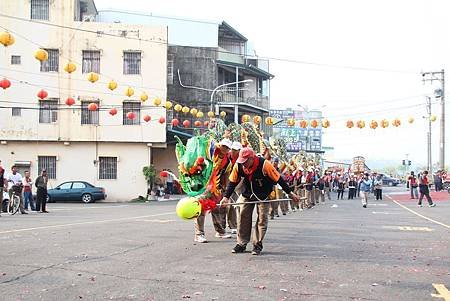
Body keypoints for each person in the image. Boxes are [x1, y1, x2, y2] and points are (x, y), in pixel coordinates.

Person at [221, 147, 300, 255]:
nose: (243, 164)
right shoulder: (238, 165)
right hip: (248, 193)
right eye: (241, 162)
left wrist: (290, 193)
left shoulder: (265, 164)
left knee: (262, 219)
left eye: (245, 162)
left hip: (263, 194)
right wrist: (226, 197)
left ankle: (257, 244)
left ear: (251, 158)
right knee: (243, 217)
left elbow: (278, 179)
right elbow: (232, 182)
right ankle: (241, 243)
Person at [194, 138, 232, 243]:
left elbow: (226, 175)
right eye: (224, 146)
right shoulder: (210, 151)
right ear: (220, 145)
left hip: (215, 187)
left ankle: (220, 231)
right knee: (201, 209)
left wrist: (226, 190)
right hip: (203, 186)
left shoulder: (227, 161)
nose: (225, 149)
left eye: (227, 147)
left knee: (217, 209)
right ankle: (199, 234)